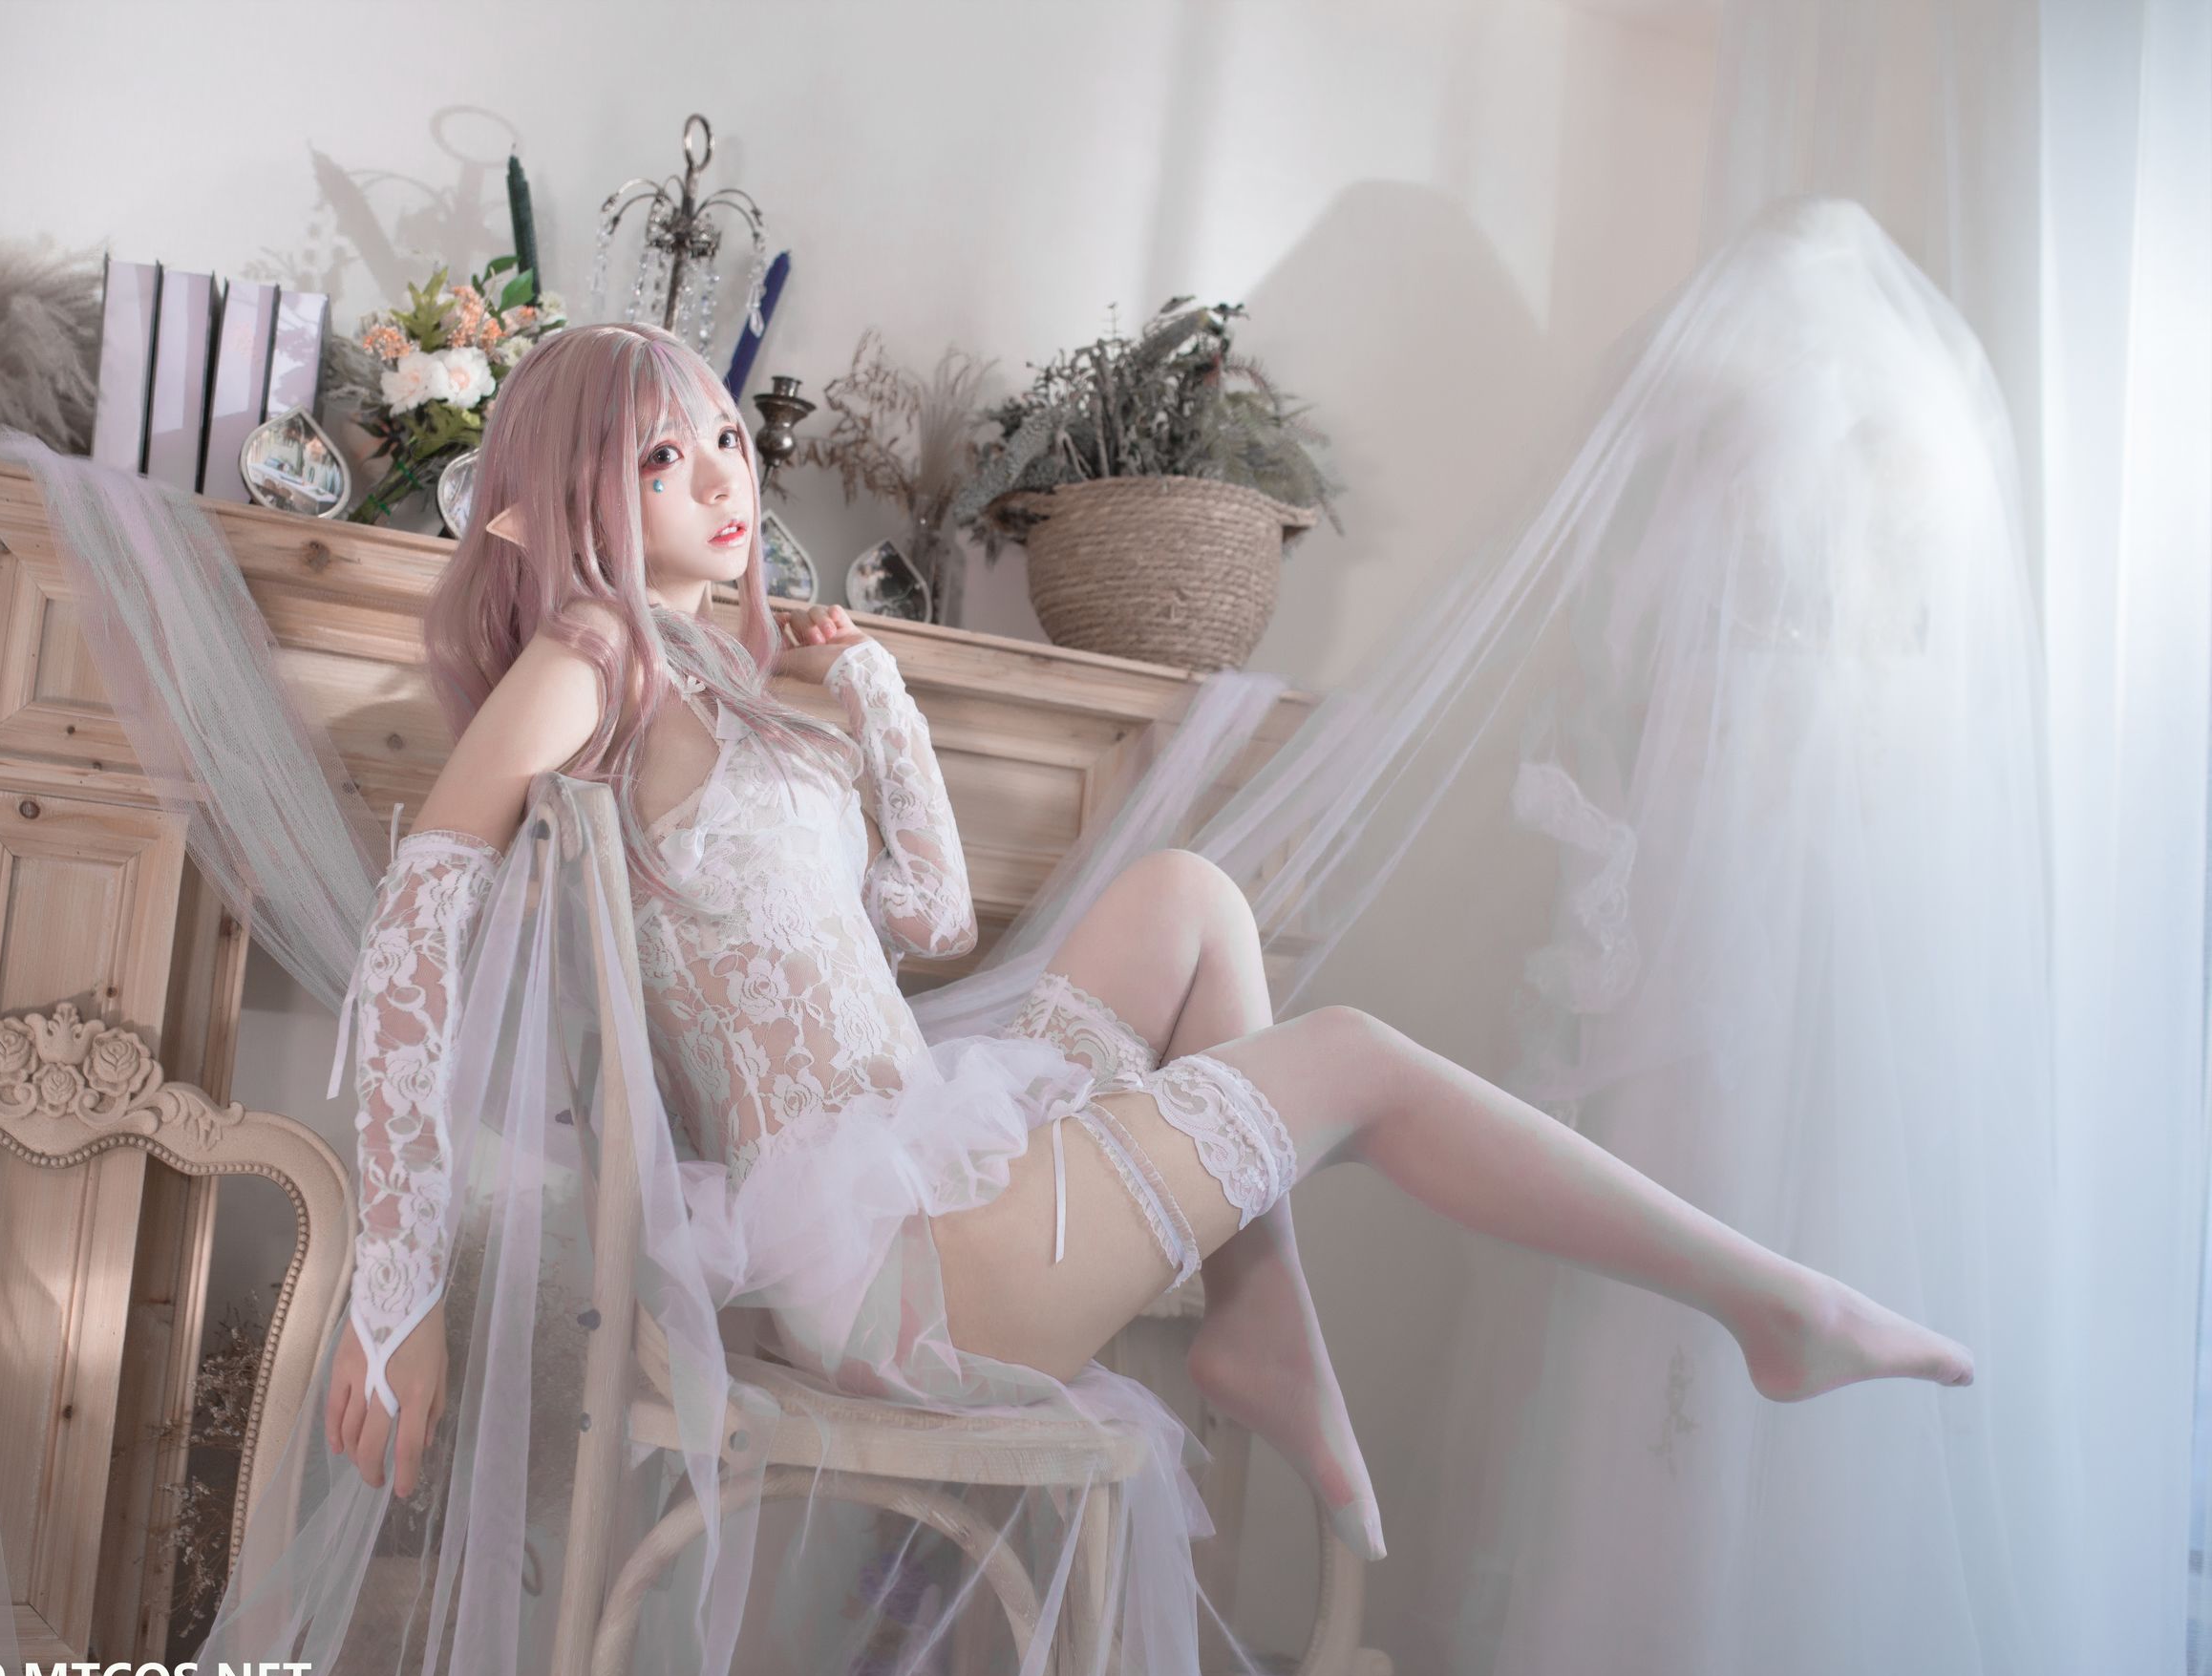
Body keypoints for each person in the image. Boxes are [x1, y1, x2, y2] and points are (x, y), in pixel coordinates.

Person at [317, 318, 1977, 1603]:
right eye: (668, 459)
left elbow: (929, 919)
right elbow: (418, 924)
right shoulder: (593, 654)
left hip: (914, 1166)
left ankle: (1262, 1321)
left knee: (1190, 894)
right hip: (883, 1260)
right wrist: (399, 1290)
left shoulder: (727, 693)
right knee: (1350, 1056)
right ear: (574, 502)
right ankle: (1777, 1307)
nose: (725, 481)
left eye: (731, 442)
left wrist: (877, 693)